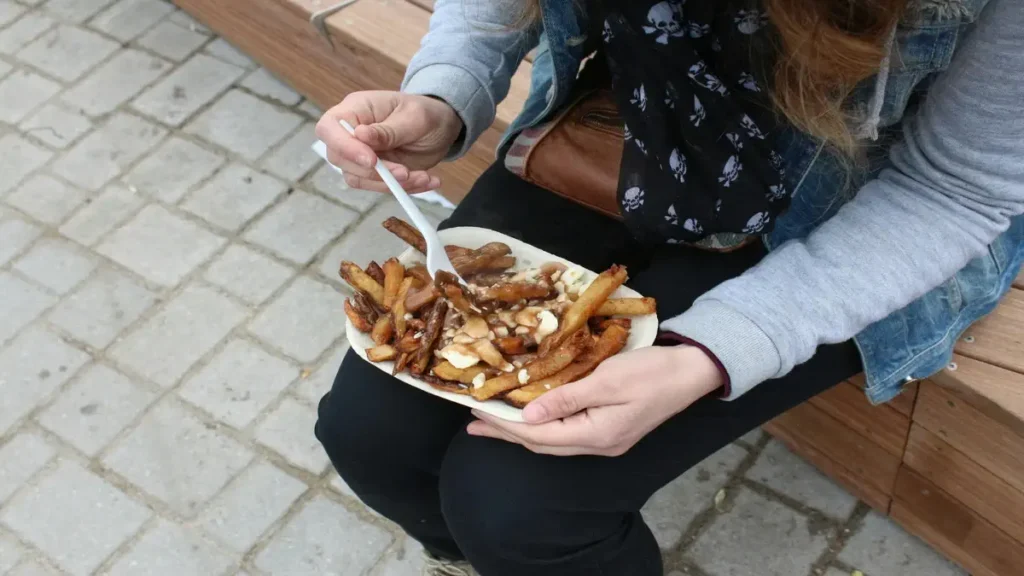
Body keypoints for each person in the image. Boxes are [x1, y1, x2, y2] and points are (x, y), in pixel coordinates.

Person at [314, 0, 1024, 574]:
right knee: (369, 435)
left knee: (520, 508)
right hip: (639, 120)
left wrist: (713, 353)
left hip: (856, 206)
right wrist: (443, 93)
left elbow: (956, 191)